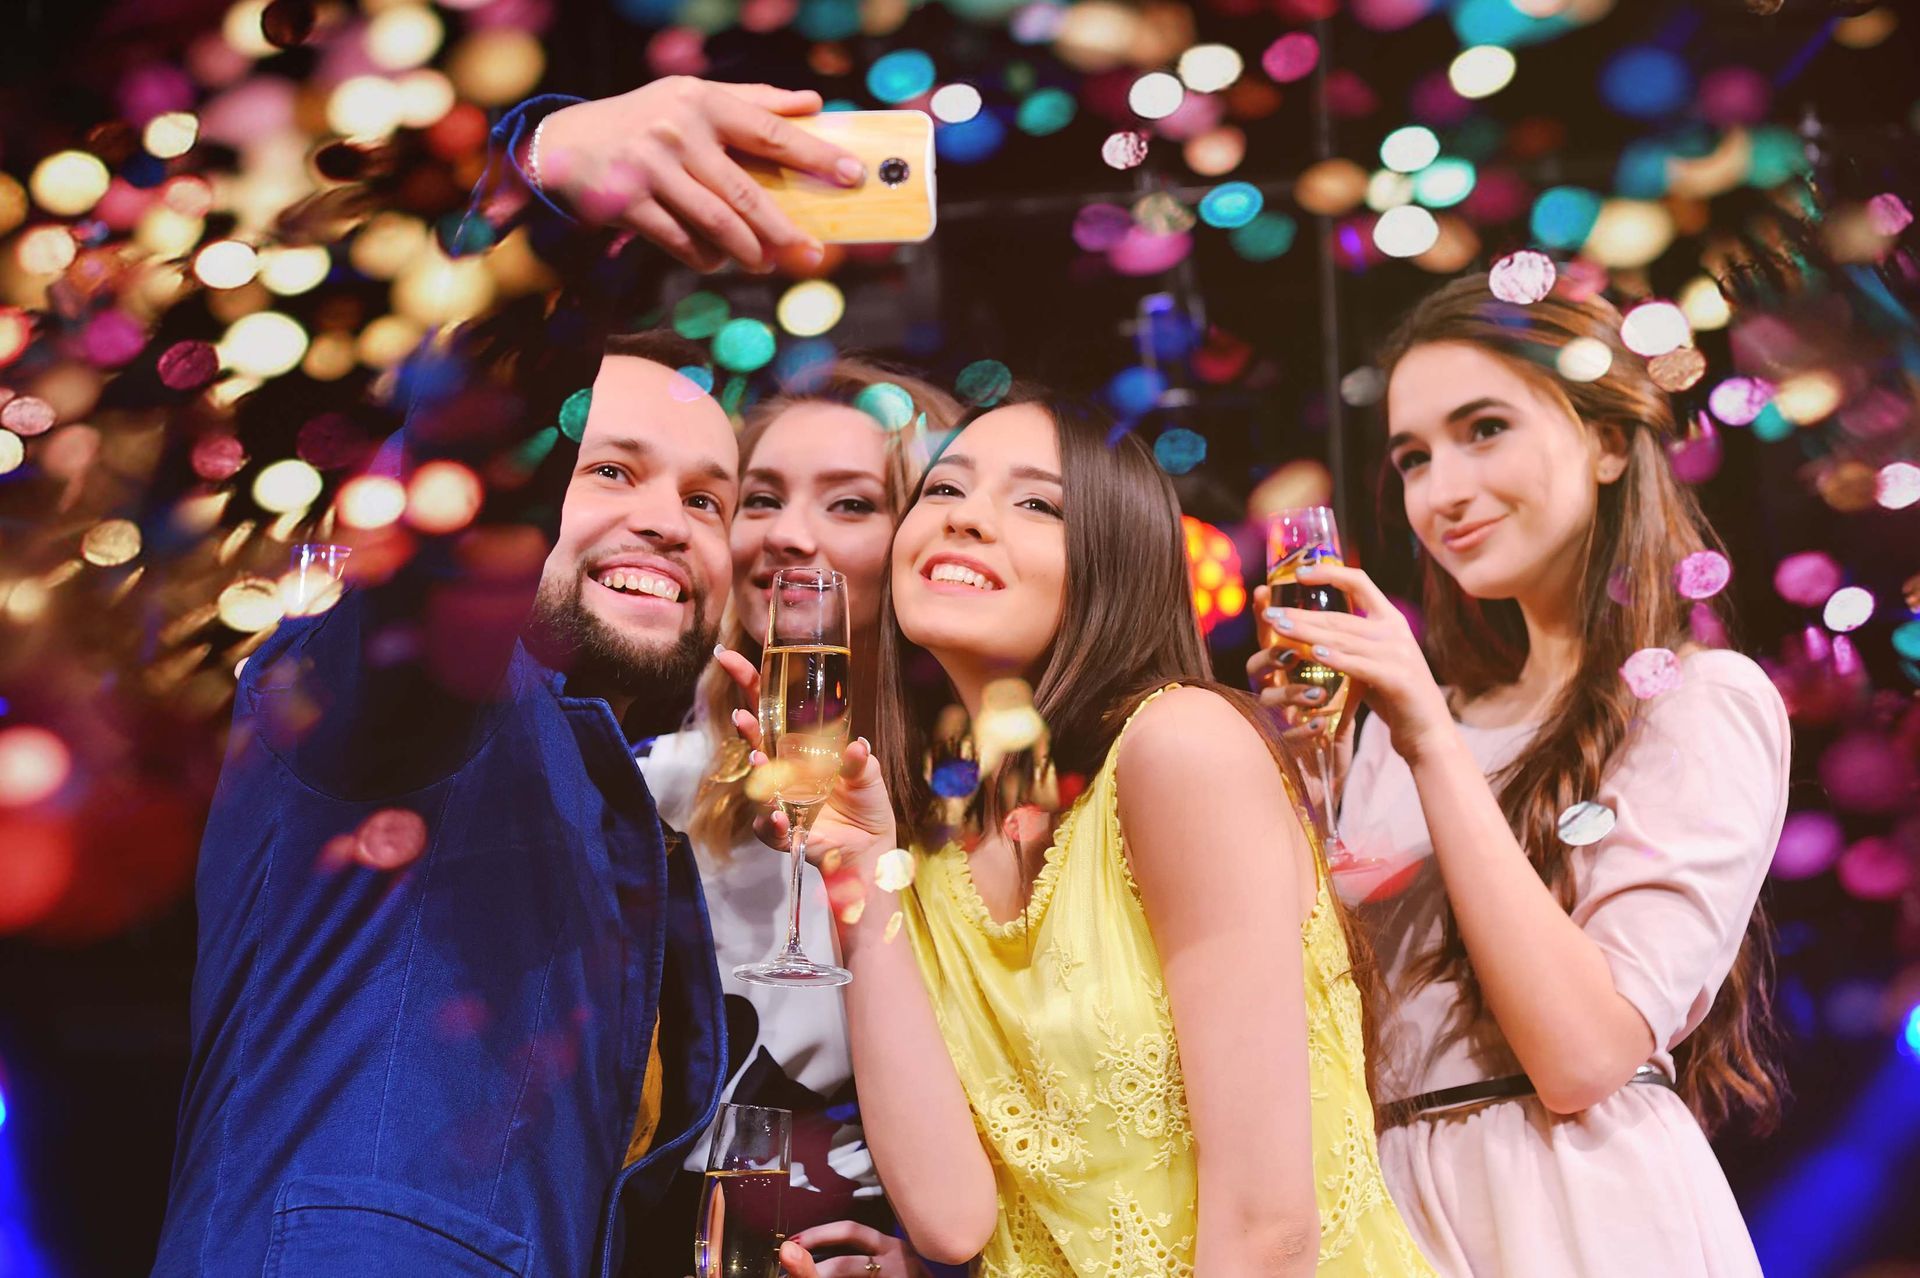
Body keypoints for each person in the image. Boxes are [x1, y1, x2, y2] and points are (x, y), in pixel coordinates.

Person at [152, 80, 867, 1278]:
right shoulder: (391, 706)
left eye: (706, 500)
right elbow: (462, 492)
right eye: (608, 472)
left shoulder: (605, 796)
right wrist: (548, 194)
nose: (671, 525)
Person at [727, 394, 1434, 1276]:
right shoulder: (930, 850)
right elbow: (951, 1220)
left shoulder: (1180, 746)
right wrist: (856, 872)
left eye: (1035, 504)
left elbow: (1268, 1229)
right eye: (943, 489)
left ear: (1116, 565)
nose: (966, 519)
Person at [1251, 274, 1788, 1277]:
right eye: (1413, 458)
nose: (1442, 490)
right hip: (1386, 1210)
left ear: (1608, 442)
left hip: (1570, 1212)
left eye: (1484, 428)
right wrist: (1289, 780)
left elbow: (1584, 1055)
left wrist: (1426, 736)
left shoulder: (1701, 700)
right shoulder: (1399, 729)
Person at [628, 361, 958, 1278]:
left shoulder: (997, 807)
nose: (786, 536)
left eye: (850, 504)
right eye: (760, 499)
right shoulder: (657, 794)